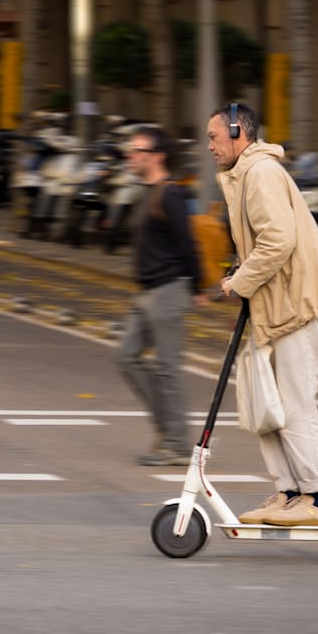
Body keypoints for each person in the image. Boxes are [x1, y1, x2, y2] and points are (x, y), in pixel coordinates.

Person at [209, 102, 318, 526]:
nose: (209, 146)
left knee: (294, 402)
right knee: (265, 403)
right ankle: (288, 493)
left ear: (237, 132)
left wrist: (240, 282)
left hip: (297, 303)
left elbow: (278, 241)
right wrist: (241, 274)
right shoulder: (245, 174)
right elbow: (262, 243)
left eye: (214, 136)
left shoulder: (261, 173)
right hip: (276, 304)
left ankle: (315, 500)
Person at [116, 126, 208, 466]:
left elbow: (188, 243)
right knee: (126, 356)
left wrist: (197, 286)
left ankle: (178, 445)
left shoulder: (170, 194)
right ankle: (168, 429)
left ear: (157, 157)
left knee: (168, 369)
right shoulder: (147, 193)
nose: (130, 155)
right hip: (147, 292)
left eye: (137, 150)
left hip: (168, 290)